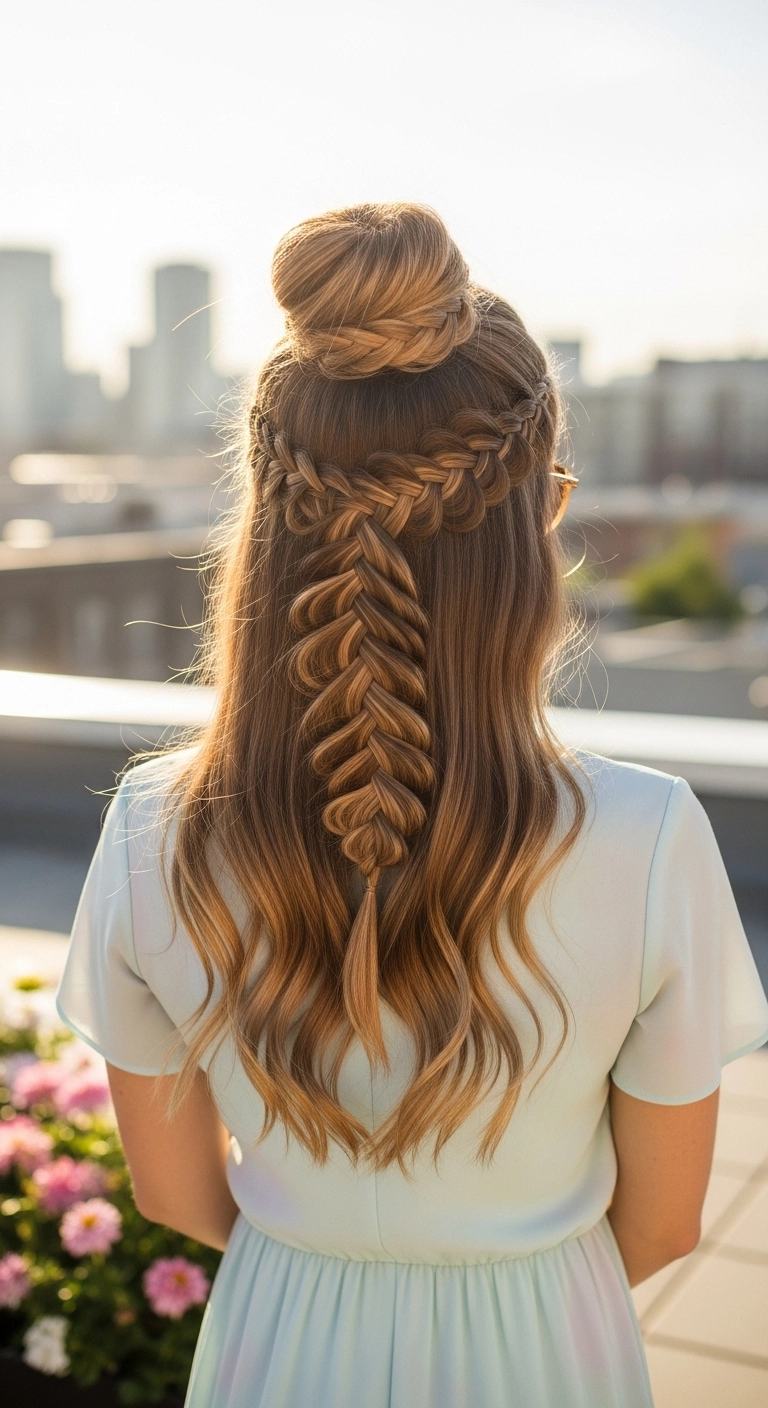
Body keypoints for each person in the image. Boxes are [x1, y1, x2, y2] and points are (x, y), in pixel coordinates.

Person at [56, 203, 768, 1408]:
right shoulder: (650, 839)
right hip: (546, 1346)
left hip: (278, 1338)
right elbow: (662, 1222)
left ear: (268, 526)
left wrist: (333, 1271)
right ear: (544, 511)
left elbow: (177, 1194)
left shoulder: (148, 826)